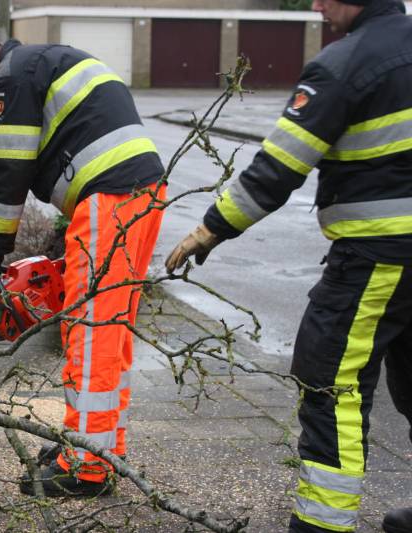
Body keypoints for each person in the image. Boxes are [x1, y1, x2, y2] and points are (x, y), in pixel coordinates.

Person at [164, 0, 412, 530]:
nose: (318, 5)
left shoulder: (345, 64)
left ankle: (322, 524)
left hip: (378, 258)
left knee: (331, 383)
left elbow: (278, 168)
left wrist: (211, 228)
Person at [0, 25, 167, 497]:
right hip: (138, 196)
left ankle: (85, 467)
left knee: (88, 330)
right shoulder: (43, 61)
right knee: (111, 328)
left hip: (111, 198)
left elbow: (9, 168)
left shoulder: (11, 77)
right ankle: (101, 446)